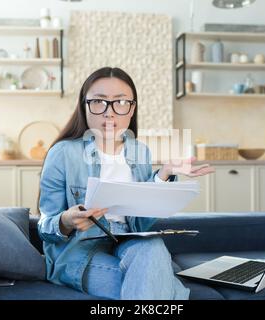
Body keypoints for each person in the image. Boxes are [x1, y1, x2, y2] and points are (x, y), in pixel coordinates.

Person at [38, 67, 214, 300]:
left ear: (132, 109)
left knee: (153, 247)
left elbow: (140, 221)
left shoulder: (139, 152)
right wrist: (66, 221)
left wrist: (163, 174)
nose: (109, 113)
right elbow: (44, 227)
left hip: (129, 242)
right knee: (157, 285)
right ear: (84, 105)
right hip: (80, 250)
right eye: (99, 102)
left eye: (120, 102)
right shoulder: (62, 153)